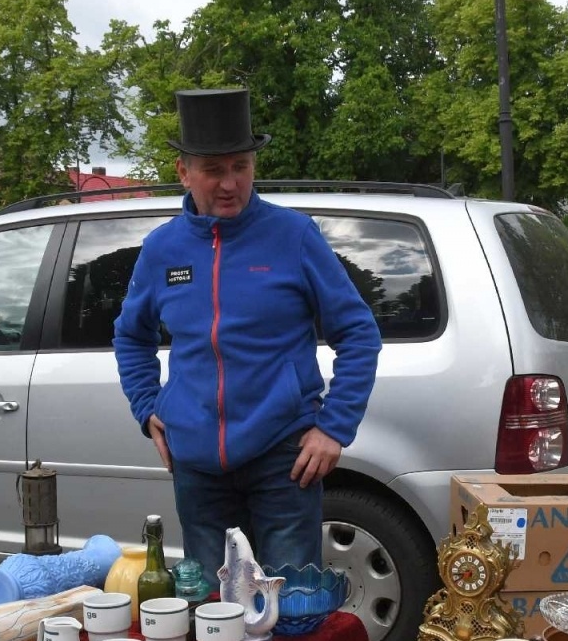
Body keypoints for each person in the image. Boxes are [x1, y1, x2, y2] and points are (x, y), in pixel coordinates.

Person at [113, 88, 382, 589]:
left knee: (289, 602)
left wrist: (334, 428)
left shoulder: (293, 236)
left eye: (241, 166)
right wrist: (147, 406)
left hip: (284, 457)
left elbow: (359, 332)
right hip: (196, 464)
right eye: (214, 170)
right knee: (214, 607)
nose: (230, 183)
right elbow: (131, 336)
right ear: (184, 172)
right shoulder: (162, 248)